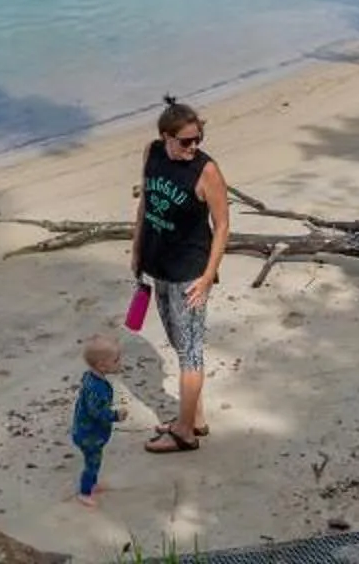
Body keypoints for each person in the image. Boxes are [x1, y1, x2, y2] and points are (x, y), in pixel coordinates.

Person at [131, 96, 231, 453]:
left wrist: (207, 277)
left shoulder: (206, 171)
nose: (193, 147)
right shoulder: (153, 153)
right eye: (186, 141)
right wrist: (137, 249)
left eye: (198, 139)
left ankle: (184, 433)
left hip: (190, 272)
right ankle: (195, 417)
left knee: (190, 352)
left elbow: (222, 226)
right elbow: (146, 203)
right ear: (166, 137)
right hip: (158, 264)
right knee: (177, 341)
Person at [70, 334, 121, 505]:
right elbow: (97, 412)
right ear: (102, 365)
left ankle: (92, 484)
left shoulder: (90, 377)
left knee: (94, 460)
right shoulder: (97, 388)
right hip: (89, 434)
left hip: (86, 430)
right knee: (92, 463)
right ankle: (85, 492)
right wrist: (116, 416)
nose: (120, 363)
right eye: (116, 360)